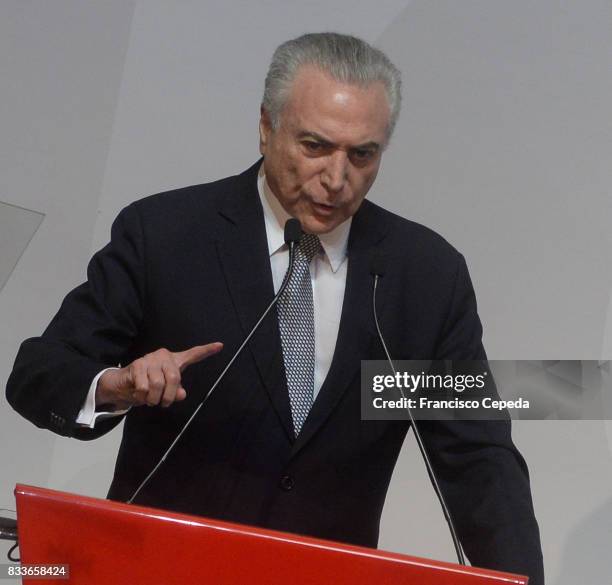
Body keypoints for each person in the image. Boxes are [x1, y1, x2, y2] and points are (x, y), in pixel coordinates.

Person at [6, 33, 544, 583]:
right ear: (266, 127)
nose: (337, 180)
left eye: (362, 155)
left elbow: (479, 460)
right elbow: (39, 373)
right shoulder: (166, 236)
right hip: (161, 570)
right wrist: (112, 386)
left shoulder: (423, 278)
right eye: (315, 146)